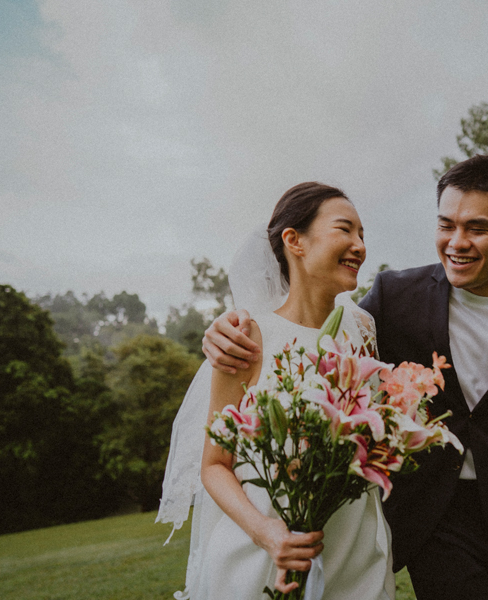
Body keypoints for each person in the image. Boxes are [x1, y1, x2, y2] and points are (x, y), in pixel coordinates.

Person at [202, 156, 488, 600]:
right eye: (446, 225)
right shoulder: (394, 299)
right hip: (433, 518)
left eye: (476, 228)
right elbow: (312, 335)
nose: (457, 242)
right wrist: (223, 329)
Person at [157, 182, 395, 600]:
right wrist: (266, 533)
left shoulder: (363, 330)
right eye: (345, 230)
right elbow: (214, 464)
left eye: (363, 235)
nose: (359, 245)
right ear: (294, 241)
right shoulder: (246, 337)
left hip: (355, 549)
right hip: (265, 553)